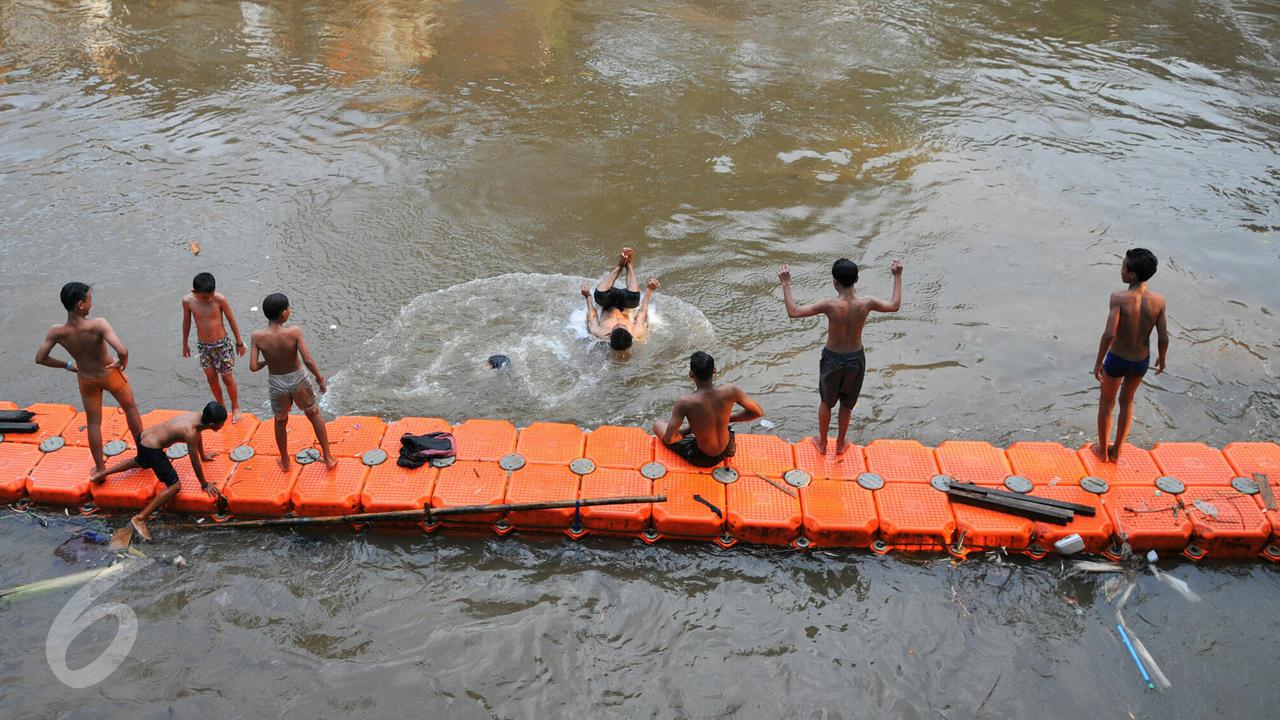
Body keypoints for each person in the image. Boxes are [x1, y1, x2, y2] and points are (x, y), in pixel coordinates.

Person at [778, 258, 903, 455]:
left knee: (826, 402)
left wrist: (785, 283)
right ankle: (841, 443)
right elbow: (895, 305)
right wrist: (897, 276)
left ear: (834, 281)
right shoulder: (867, 303)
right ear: (857, 279)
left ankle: (822, 444)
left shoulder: (830, 305)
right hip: (855, 359)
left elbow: (794, 312)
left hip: (832, 359)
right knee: (847, 404)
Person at [34, 282, 145, 474]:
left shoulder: (57, 332)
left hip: (86, 379)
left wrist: (68, 365)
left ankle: (101, 469)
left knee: (94, 423)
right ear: (80, 304)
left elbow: (40, 358)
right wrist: (122, 361)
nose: (91, 303)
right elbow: (122, 350)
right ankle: (145, 456)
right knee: (130, 409)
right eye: (89, 299)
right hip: (109, 373)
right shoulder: (98, 324)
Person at [90, 402, 228, 541]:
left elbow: (199, 437)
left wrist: (204, 456)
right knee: (175, 486)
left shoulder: (197, 417)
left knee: (141, 461)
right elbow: (194, 461)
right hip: (152, 448)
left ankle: (102, 473)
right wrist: (204, 484)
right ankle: (140, 518)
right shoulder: (190, 432)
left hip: (144, 437)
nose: (222, 426)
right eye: (221, 424)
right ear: (212, 425)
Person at [1092, 248, 1168, 463]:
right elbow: (1163, 336)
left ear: (1132, 274)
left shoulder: (1119, 298)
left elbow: (1109, 334)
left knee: (1107, 402)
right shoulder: (1158, 301)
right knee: (1128, 401)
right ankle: (1117, 451)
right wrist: (1162, 358)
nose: (1121, 270)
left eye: (1124, 267)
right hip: (1140, 362)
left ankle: (1103, 452)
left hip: (1117, 359)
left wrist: (1098, 362)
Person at [249, 293, 336, 470]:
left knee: (280, 420)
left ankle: (285, 461)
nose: (290, 311)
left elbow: (253, 367)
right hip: (298, 378)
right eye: (289, 308)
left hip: (277, 382)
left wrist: (268, 361)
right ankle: (328, 458)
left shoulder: (257, 336)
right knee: (313, 413)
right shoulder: (293, 332)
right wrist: (319, 379)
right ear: (283, 313)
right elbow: (308, 360)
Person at [653, 352, 765, 467]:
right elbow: (758, 412)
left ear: (691, 374)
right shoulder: (731, 390)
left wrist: (689, 429)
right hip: (727, 449)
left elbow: (670, 439)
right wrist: (727, 419)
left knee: (657, 425)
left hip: (703, 459)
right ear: (714, 370)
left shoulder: (685, 402)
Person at [182, 272, 247, 422]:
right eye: (205, 297)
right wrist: (185, 344)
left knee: (227, 377)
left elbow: (231, 320)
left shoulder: (219, 299)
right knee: (211, 378)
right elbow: (186, 322)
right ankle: (221, 406)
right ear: (194, 292)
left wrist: (239, 342)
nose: (209, 299)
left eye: (211, 295)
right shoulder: (188, 301)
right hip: (204, 347)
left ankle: (235, 406)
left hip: (222, 345)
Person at [582, 247, 659, 351]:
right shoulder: (637, 332)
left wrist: (587, 296)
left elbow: (592, 316)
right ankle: (629, 265)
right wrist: (649, 290)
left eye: (616, 327)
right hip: (626, 305)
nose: (618, 324)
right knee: (634, 297)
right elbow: (642, 313)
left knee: (600, 294)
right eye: (622, 326)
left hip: (607, 303)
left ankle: (619, 266)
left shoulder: (599, 333)